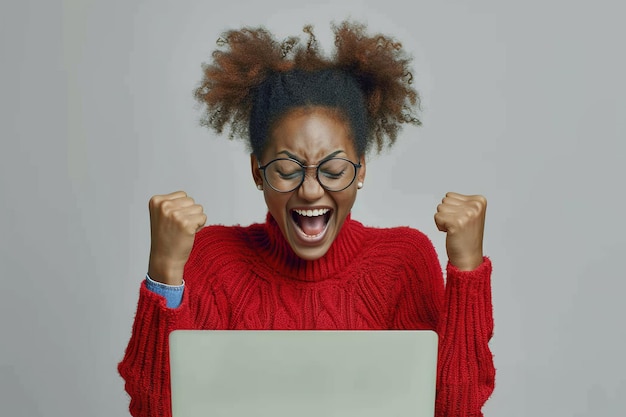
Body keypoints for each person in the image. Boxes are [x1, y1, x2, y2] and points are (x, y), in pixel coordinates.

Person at [118, 21, 495, 417]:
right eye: (286, 169)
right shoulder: (213, 260)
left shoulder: (404, 261)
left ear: (361, 169)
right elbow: (155, 409)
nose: (311, 190)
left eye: (333, 170)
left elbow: (456, 409)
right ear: (256, 171)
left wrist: (467, 270)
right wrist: (163, 271)